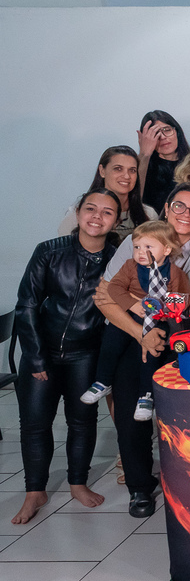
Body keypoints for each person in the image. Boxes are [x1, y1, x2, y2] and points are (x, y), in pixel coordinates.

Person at [93, 184, 190, 503]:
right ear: (167, 207)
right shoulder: (138, 240)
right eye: (180, 206)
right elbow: (104, 296)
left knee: (183, 415)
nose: (187, 214)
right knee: (132, 415)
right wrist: (138, 328)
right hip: (127, 335)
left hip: (174, 338)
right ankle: (140, 488)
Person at [12, 189, 120, 524]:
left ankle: (77, 483)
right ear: (78, 213)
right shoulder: (49, 251)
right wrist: (37, 356)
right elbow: (26, 304)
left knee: (82, 422)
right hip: (40, 352)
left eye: (107, 212)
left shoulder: (117, 259)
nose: (96, 217)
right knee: (34, 425)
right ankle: (35, 491)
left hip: (85, 354)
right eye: (90, 209)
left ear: (116, 221)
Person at [82, 221, 190, 422]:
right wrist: (132, 304)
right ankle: (102, 381)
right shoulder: (130, 267)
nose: (141, 252)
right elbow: (114, 288)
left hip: (159, 319)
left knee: (151, 353)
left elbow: (182, 299)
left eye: (148, 247)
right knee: (111, 340)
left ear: (166, 249)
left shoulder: (174, 273)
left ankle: (146, 396)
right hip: (133, 314)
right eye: (137, 247)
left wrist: (163, 311)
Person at [58, 146, 154, 240]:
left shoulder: (148, 215)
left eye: (132, 170)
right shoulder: (80, 216)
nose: (126, 176)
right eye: (118, 169)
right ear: (102, 170)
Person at [136, 110, 190, 214]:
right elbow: (133, 200)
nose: (163, 137)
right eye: (155, 133)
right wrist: (144, 155)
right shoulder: (143, 168)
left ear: (177, 132)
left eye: (167, 130)